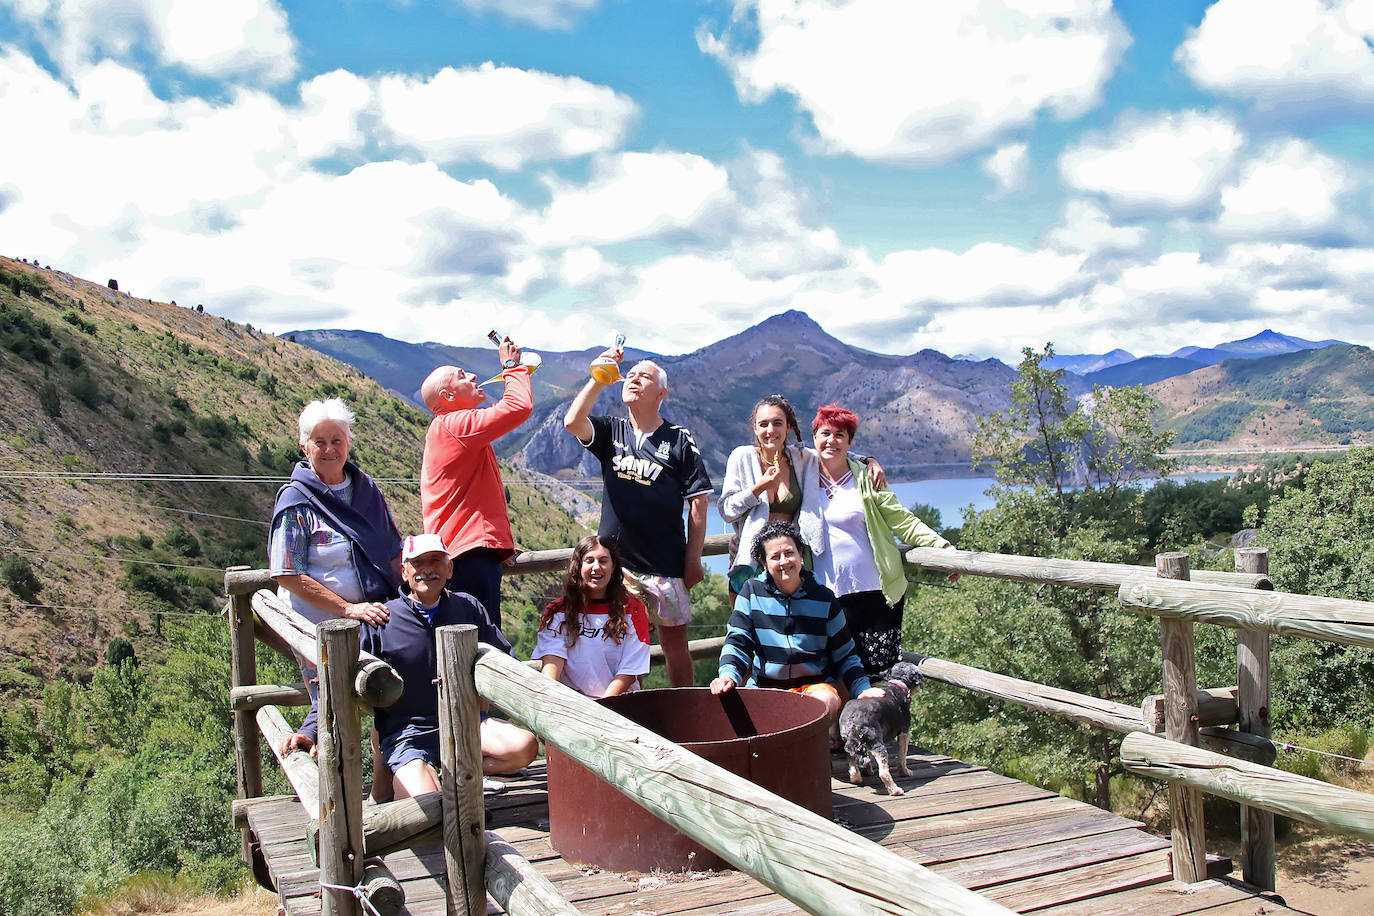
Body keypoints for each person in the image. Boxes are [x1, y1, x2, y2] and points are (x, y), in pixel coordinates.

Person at [285, 534, 539, 797]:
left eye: (436, 561)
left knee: (524, 747)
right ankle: (430, 779)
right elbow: (339, 679)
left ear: (449, 568)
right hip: (408, 733)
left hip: (466, 722)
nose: (427, 569)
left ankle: (456, 776)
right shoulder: (382, 619)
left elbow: (506, 660)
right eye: (418, 563)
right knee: (427, 801)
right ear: (405, 571)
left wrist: (538, 709)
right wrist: (310, 730)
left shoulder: (468, 608)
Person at [564, 349, 712, 687]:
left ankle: (684, 713)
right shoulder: (610, 431)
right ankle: (630, 709)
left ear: (661, 393)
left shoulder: (679, 439)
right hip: (619, 568)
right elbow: (572, 422)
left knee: (675, 647)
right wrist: (599, 376)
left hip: (665, 566)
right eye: (629, 374)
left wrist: (693, 560)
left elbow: (699, 504)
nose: (633, 378)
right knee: (617, 642)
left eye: (643, 376)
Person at [798, 404, 957, 678]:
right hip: (827, 594)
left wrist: (942, 547)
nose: (831, 441)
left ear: (850, 443)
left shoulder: (867, 478)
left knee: (878, 676)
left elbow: (901, 519)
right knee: (834, 676)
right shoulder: (803, 475)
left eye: (840, 435)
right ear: (814, 436)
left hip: (874, 591)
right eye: (825, 433)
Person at [711, 522, 884, 742]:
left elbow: (846, 654)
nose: (784, 562)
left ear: (801, 555)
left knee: (827, 701)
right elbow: (738, 641)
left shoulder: (824, 597)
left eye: (789, 553)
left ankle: (802, 754)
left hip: (815, 686)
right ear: (764, 563)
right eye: (775, 557)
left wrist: (862, 689)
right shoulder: (751, 592)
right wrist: (728, 675)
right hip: (766, 687)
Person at [718, 394, 886, 597]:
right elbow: (727, 510)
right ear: (755, 428)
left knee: (793, 627)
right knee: (746, 627)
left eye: (777, 423)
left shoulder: (801, 459)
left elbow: (833, 451)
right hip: (751, 565)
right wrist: (759, 488)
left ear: (788, 427)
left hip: (790, 568)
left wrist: (869, 461)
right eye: (763, 424)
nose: (770, 430)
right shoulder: (741, 457)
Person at [420, 335, 533, 628]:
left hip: (466, 553)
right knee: (482, 647)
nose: (471, 375)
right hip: (468, 558)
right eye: (461, 375)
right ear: (447, 396)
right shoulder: (455, 425)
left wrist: (495, 546)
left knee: (471, 640)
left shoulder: (447, 429)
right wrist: (512, 366)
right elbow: (518, 407)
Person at [537, 535, 652, 698]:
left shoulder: (632, 608)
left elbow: (630, 670)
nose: (596, 567)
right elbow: (552, 665)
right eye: (589, 560)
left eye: (603, 561)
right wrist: (553, 700)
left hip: (618, 705)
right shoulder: (557, 611)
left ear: (613, 567)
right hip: (572, 705)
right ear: (578, 566)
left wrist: (602, 708)